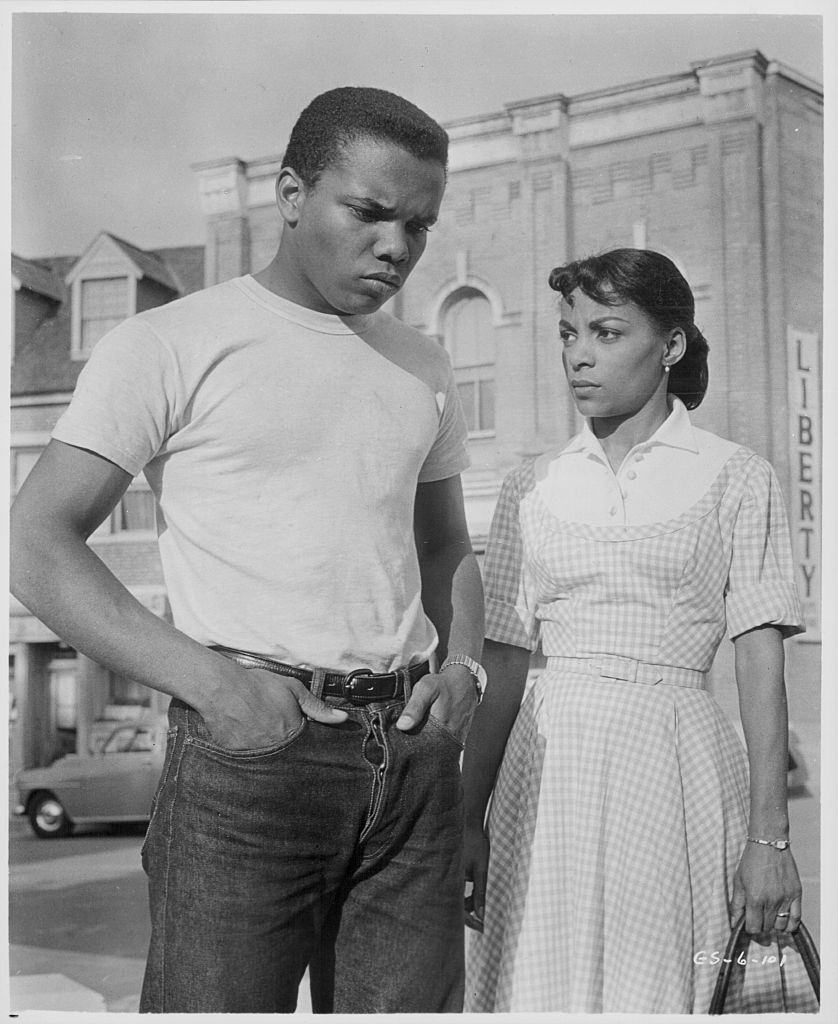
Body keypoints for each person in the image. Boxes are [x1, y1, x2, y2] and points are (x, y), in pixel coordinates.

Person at [10, 86, 486, 1014]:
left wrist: (462, 668)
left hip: (415, 755)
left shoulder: (422, 362)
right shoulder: (169, 342)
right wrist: (219, 689)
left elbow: (446, 544)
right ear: (292, 192)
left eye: (420, 226)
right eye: (370, 211)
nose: (397, 245)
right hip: (254, 758)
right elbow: (34, 541)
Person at [461, 249, 814, 1013]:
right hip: (547, 773)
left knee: (660, 986)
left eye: (607, 332)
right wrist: (467, 818)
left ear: (672, 345)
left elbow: (760, 665)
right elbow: (504, 662)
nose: (578, 355)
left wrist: (771, 839)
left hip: (676, 765)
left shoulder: (735, 475)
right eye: (566, 334)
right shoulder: (532, 483)